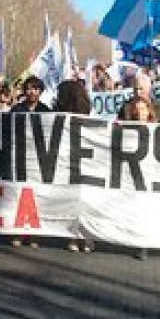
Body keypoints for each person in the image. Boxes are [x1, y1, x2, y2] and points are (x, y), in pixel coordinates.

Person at [54, 80, 94, 253]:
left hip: (71, 160)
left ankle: (74, 236)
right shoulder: (87, 112)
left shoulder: (84, 114)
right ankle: (84, 237)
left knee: (72, 198)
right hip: (79, 161)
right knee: (83, 199)